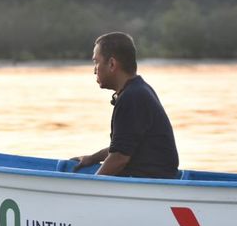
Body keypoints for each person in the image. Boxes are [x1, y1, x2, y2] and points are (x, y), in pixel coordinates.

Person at [73, 32, 179, 178]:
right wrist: (92, 158)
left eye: (96, 62)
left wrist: (91, 187)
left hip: (152, 183)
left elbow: (119, 158)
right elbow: (123, 146)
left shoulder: (132, 97)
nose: (94, 70)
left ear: (111, 64)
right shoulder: (138, 90)